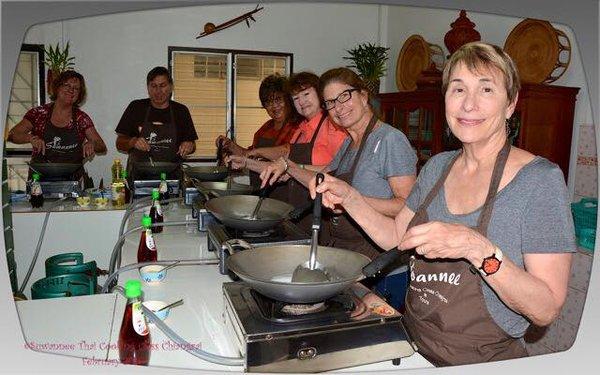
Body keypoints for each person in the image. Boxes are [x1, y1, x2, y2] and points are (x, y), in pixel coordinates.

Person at [310, 42, 575, 366]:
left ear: (511, 102)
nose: (469, 104)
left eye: (486, 89)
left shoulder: (540, 180)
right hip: (413, 347)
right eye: (458, 89)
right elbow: (395, 235)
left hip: (481, 360)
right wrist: (349, 197)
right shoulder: (438, 166)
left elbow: (546, 308)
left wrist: (477, 248)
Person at [258, 67, 417, 260]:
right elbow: (321, 179)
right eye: (331, 103)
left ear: (364, 96)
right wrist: (287, 166)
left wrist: (351, 200)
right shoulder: (348, 143)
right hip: (344, 248)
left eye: (345, 96)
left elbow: (407, 207)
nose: (339, 108)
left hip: (375, 255)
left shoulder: (390, 139)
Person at [227, 71, 347, 232]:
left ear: (319, 94)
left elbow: (338, 172)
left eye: (306, 94)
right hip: (296, 214)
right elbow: (280, 167)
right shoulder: (300, 130)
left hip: (320, 214)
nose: (302, 102)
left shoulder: (333, 127)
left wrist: (293, 168)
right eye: (296, 98)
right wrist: (246, 161)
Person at [8, 70, 107, 183]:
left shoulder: (81, 118)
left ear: (79, 95)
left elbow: (102, 147)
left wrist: (92, 143)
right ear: (57, 87)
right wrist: (30, 138)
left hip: (72, 178)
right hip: (39, 179)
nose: (71, 90)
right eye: (67, 85)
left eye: (76, 88)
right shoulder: (39, 113)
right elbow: (11, 135)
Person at [215, 74, 300, 189]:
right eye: (268, 102)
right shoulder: (265, 128)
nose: (274, 106)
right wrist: (230, 145)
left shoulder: (298, 126)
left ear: (288, 100)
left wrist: (256, 153)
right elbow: (249, 154)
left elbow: (287, 152)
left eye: (278, 100)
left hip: (285, 190)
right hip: (259, 189)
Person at [115, 66, 198, 182]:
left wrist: (189, 145)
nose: (158, 91)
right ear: (148, 88)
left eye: (162, 85)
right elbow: (119, 143)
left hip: (172, 176)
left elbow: (192, 145)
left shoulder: (181, 111)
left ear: (170, 87)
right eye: (153, 86)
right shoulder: (136, 107)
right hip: (139, 176)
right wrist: (133, 141)